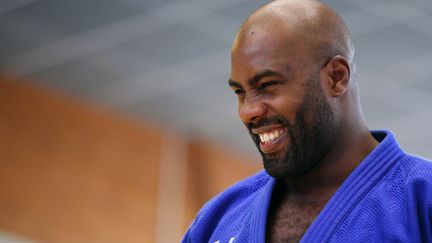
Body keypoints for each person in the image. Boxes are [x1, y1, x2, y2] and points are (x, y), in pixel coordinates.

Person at [182, 0, 432, 242]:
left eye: (268, 85)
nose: (248, 111)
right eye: (240, 92)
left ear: (336, 77)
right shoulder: (216, 220)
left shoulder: (422, 198)